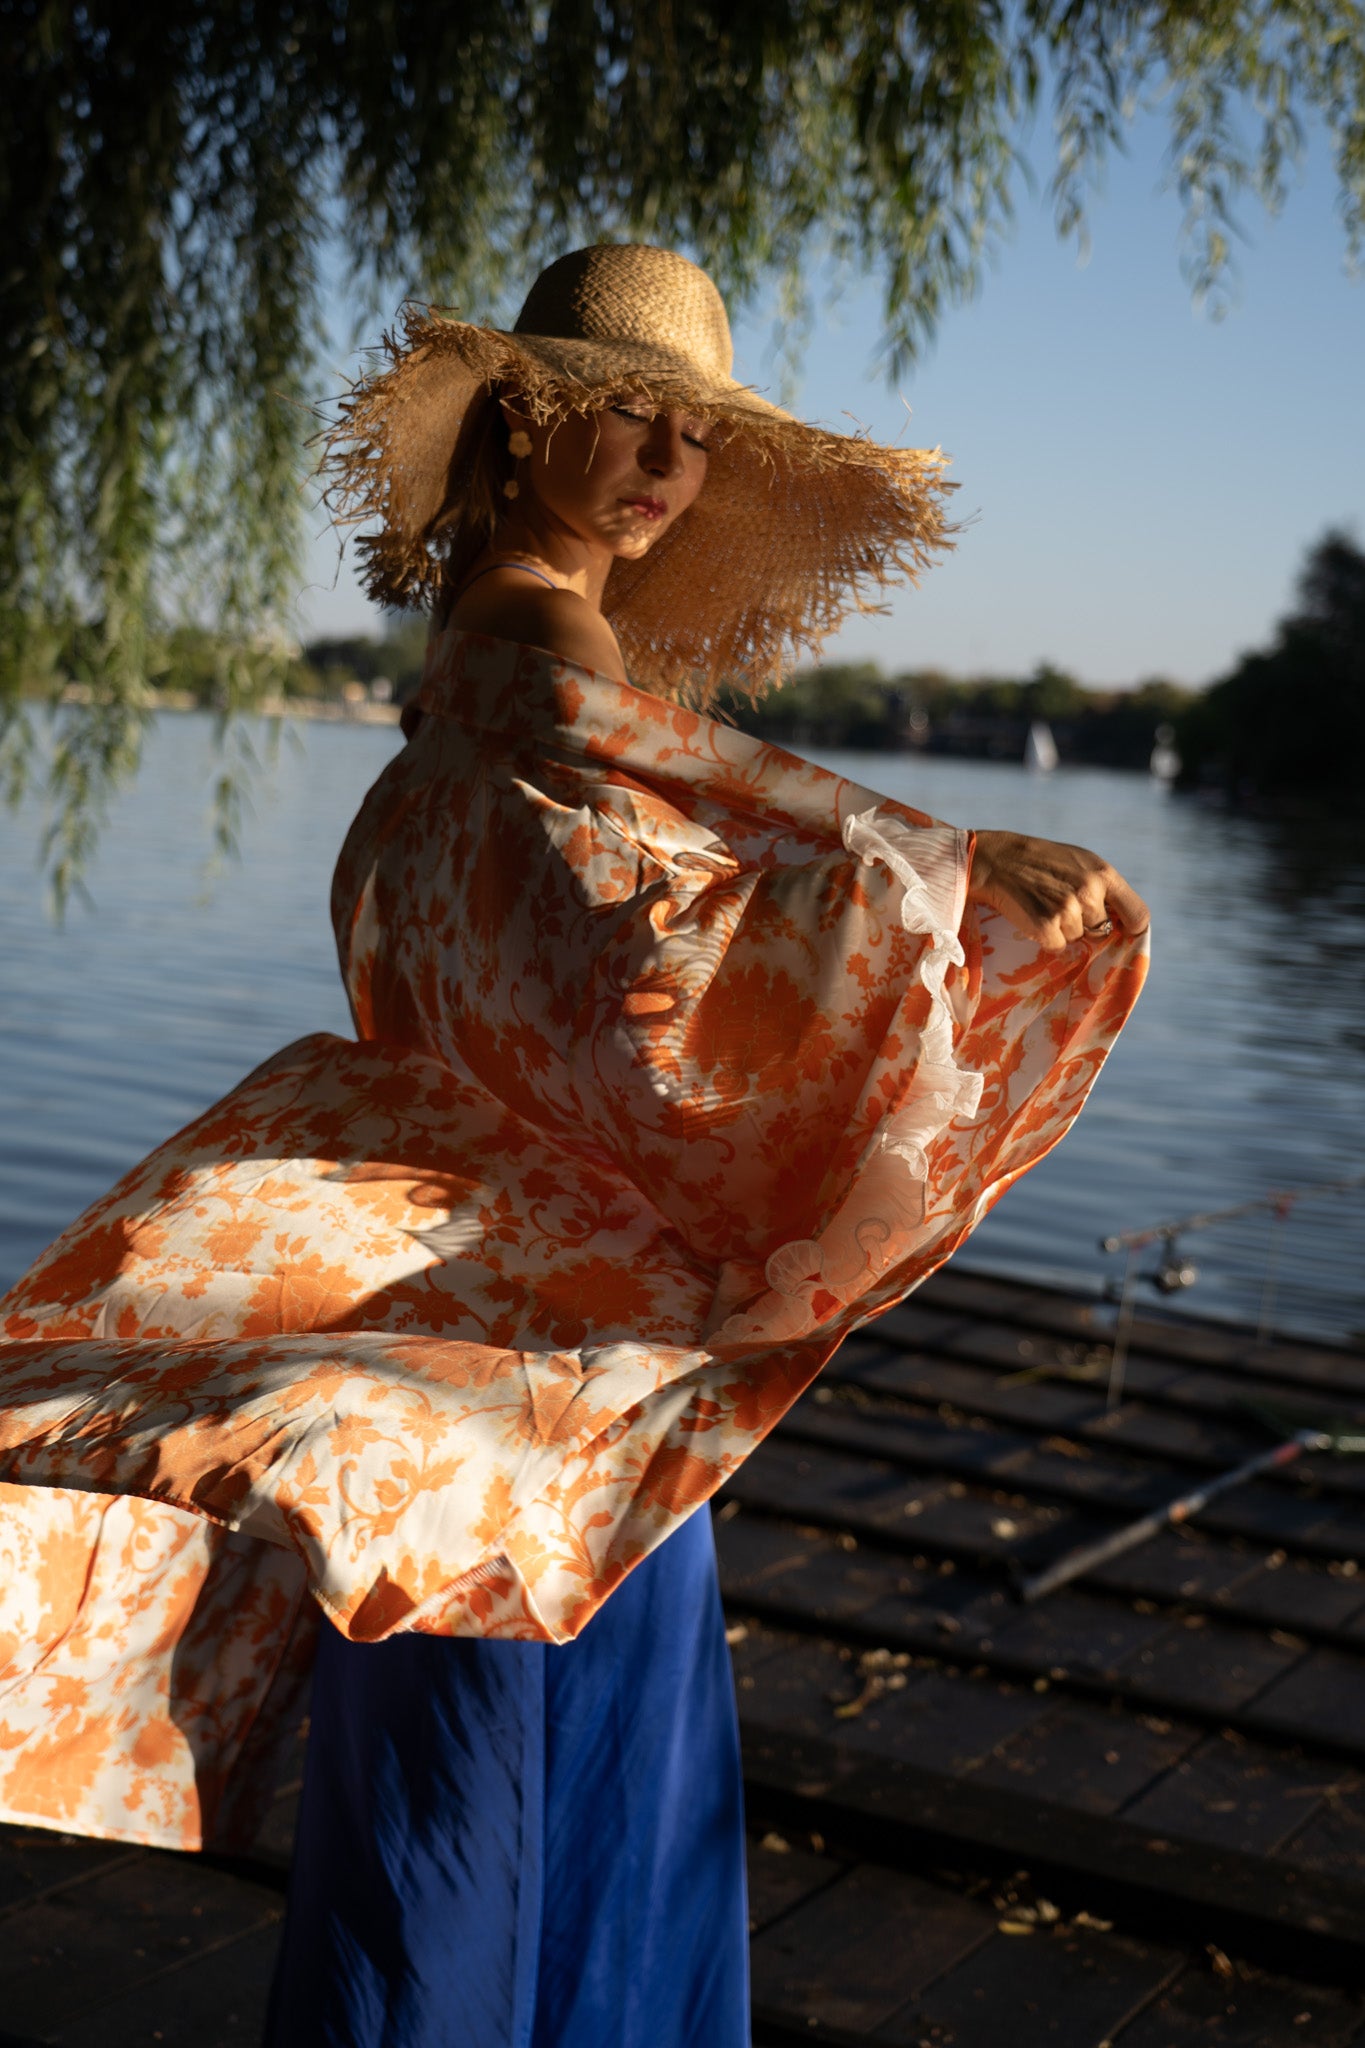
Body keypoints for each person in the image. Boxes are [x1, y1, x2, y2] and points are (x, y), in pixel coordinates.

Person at [0, 245, 1148, 2048]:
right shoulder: (532, 657)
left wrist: (831, 865)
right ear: (527, 416)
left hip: (483, 1303)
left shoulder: (456, 708)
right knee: (531, 1766)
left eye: (693, 440)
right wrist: (934, 863)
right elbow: (642, 935)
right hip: (531, 1341)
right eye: (632, 413)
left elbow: (601, 936)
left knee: (460, 1784)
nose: (664, 464)